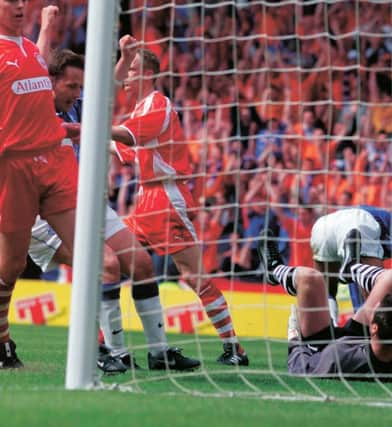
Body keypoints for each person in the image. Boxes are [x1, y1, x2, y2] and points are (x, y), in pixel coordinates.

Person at [27, 45, 200, 373]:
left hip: (84, 203)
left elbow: (106, 88)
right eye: (70, 86)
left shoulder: (77, 107)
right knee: (105, 266)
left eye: (80, 86)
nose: (77, 93)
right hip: (45, 214)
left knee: (142, 263)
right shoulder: (34, 110)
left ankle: (158, 352)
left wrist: (122, 57)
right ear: (50, 82)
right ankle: (109, 352)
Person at [110, 46, 248, 365]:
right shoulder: (142, 109)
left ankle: (233, 348)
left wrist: (85, 128)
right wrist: (75, 136)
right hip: (146, 200)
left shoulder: (158, 105)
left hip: (167, 199)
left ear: (146, 74)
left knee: (194, 276)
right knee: (111, 261)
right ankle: (107, 345)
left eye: (130, 71)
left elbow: (127, 137)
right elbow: (123, 149)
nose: (126, 79)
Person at [0, 0, 80, 369]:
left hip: (51, 161)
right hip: (12, 168)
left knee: (90, 254)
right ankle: (1, 339)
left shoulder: (29, 49)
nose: (18, 6)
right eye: (10, 1)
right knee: (11, 265)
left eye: (21, 1)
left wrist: (47, 24)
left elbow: (40, 57)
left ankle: (105, 348)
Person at [257, 224, 392, 384]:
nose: (374, 304)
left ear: (374, 327)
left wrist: (294, 338)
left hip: (323, 346)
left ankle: (273, 271)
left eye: (377, 309)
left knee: (311, 279)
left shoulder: (339, 357)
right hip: (363, 337)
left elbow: (302, 368)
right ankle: (353, 267)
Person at [302, 206, 392, 322]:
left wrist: (358, 310)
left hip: (323, 225)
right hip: (359, 221)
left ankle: (328, 333)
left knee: (325, 293)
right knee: (379, 296)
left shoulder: (382, 223)